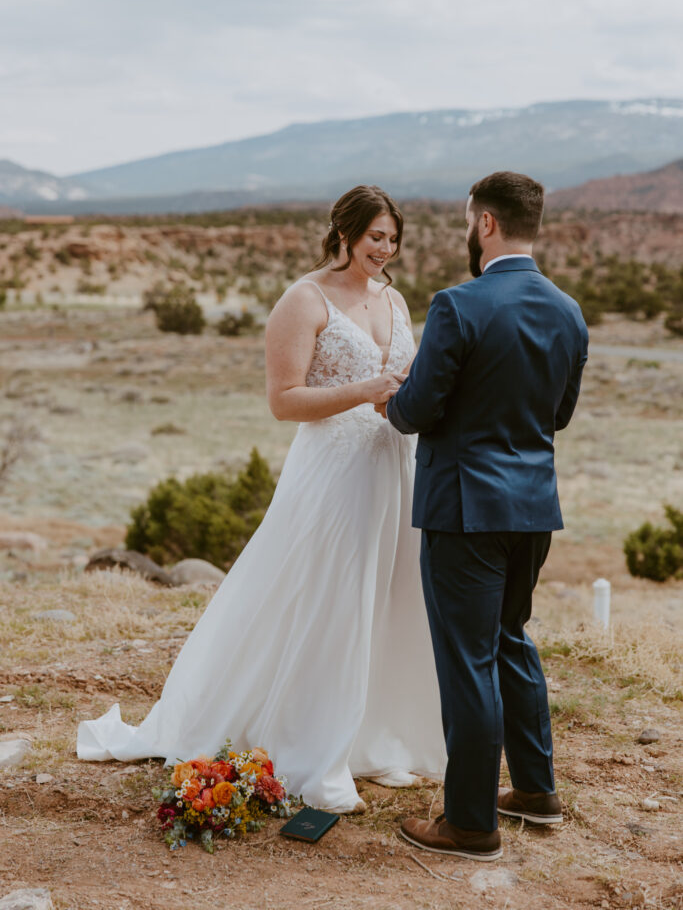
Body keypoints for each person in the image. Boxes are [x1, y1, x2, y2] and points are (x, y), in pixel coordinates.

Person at [77, 184, 446, 813]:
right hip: (335, 472)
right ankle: (315, 748)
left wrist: (404, 394)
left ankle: (371, 740)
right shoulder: (303, 300)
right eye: (374, 237)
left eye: (392, 239)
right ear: (344, 232)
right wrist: (365, 391)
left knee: (389, 598)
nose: (384, 249)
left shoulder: (395, 298)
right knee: (331, 600)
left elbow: (400, 378)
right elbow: (284, 401)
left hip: (396, 467)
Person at [381, 171, 588, 860]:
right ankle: (534, 791)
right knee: (509, 639)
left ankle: (469, 822)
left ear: (487, 224)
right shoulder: (568, 310)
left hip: (464, 508)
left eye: (471, 221)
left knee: (467, 660)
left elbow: (414, 411)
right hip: (532, 507)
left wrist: (393, 400)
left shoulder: (457, 305)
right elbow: (556, 414)